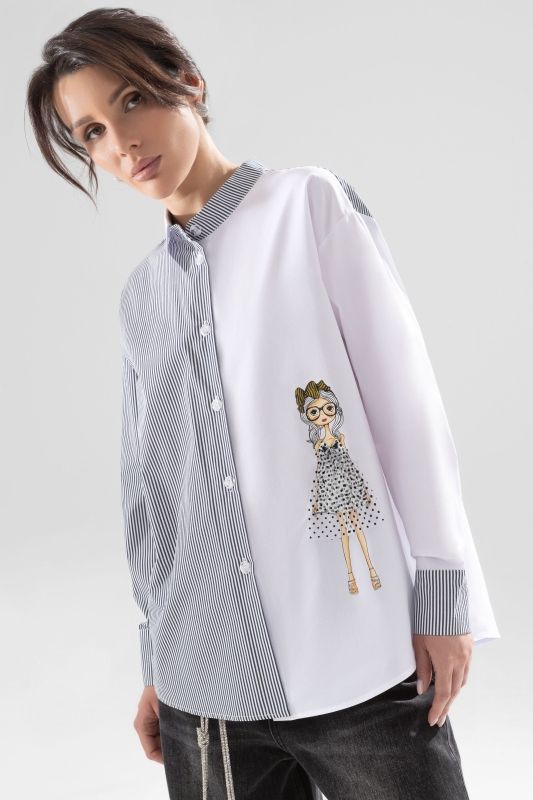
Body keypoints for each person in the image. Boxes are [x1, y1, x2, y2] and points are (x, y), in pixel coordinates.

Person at [26, 7, 501, 800]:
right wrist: (157, 663)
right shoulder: (141, 297)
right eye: (93, 134)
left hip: (359, 667)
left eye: (131, 101)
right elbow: (149, 498)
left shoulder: (306, 207)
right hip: (204, 692)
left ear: (186, 82)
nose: (121, 143)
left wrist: (443, 599)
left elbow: (406, 411)